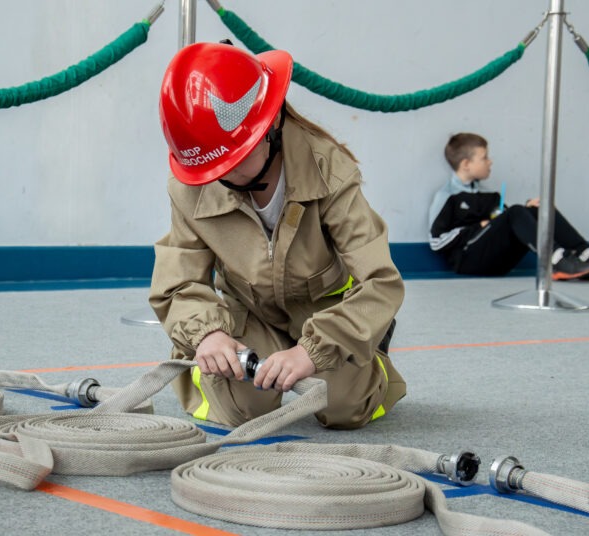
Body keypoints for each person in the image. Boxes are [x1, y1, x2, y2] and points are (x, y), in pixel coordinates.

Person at [148, 42, 405, 430]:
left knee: (344, 408)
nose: (223, 174)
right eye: (214, 167)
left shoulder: (330, 171)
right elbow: (178, 280)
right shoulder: (194, 184)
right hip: (249, 313)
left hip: (325, 313)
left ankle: (373, 363)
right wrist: (207, 335)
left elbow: (381, 283)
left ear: (271, 126)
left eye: (235, 159)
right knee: (244, 409)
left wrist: (314, 351)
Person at [428, 132, 589, 279]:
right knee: (516, 212)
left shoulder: (490, 196)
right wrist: (478, 227)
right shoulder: (447, 196)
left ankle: (588, 255)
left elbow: (507, 223)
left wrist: (530, 210)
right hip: (468, 262)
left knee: (539, 208)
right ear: (466, 164)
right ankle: (557, 260)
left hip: (498, 261)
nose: (490, 162)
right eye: (484, 158)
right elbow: (436, 242)